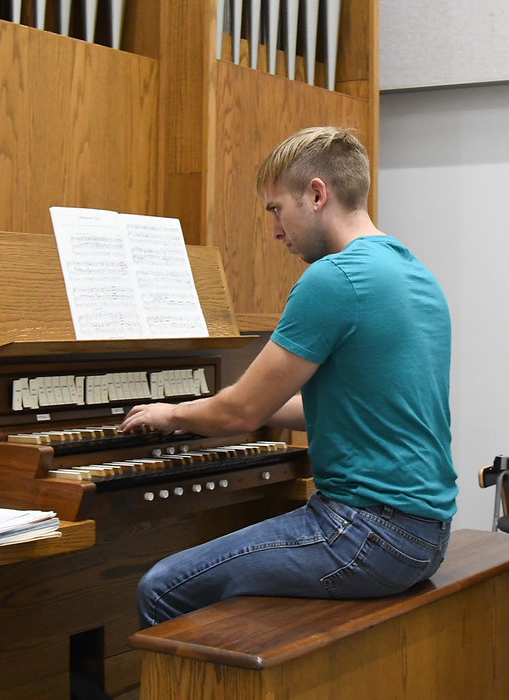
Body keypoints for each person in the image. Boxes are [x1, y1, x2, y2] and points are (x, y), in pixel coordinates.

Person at [119, 125, 456, 627]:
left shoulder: (333, 278)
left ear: (317, 194)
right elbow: (348, 405)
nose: (275, 231)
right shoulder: (412, 272)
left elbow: (240, 411)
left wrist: (175, 412)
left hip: (364, 533)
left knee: (162, 588)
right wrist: (227, 407)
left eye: (276, 209)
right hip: (423, 534)